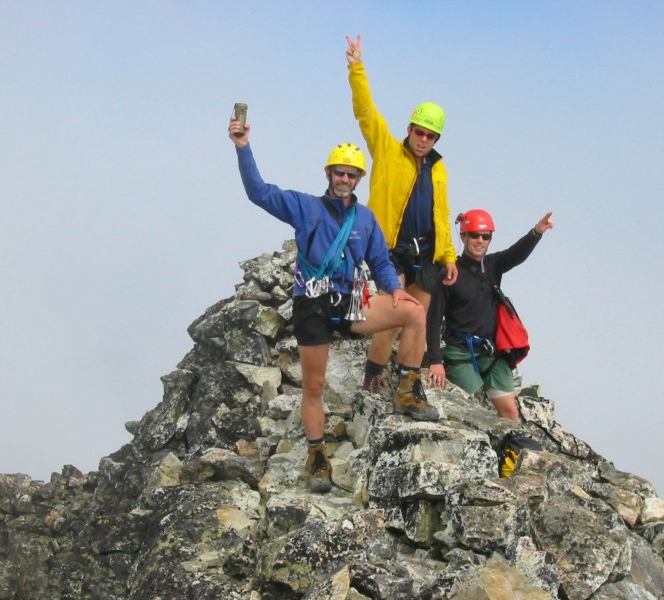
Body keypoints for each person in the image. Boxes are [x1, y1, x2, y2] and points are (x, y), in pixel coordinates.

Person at [228, 116, 440, 494]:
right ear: (328, 173)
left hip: (349, 302)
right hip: (312, 304)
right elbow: (258, 192)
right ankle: (317, 457)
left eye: (352, 175)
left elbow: (380, 263)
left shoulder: (366, 218)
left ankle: (407, 388)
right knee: (314, 385)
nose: (345, 180)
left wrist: (395, 290)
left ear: (359, 178)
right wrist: (243, 147)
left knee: (414, 311)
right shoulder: (303, 207)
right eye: (339, 173)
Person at [345, 34, 458, 393]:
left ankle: (409, 386)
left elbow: (443, 212)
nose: (424, 139)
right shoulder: (387, 150)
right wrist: (356, 67)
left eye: (431, 135)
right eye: (419, 131)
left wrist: (449, 255)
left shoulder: (438, 169)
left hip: (427, 254)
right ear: (409, 128)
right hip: (389, 249)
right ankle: (374, 375)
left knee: (419, 319)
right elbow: (365, 112)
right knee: (392, 319)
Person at [426, 209, 555, 421]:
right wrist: (435, 361)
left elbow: (516, 254)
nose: (480, 241)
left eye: (486, 236)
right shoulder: (450, 273)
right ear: (463, 236)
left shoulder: (493, 265)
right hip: (461, 354)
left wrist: (536, 232)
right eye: (474, 235)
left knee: (510, 412)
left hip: (491, 353)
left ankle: (512, 452)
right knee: (474, 414)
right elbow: (433, 319)